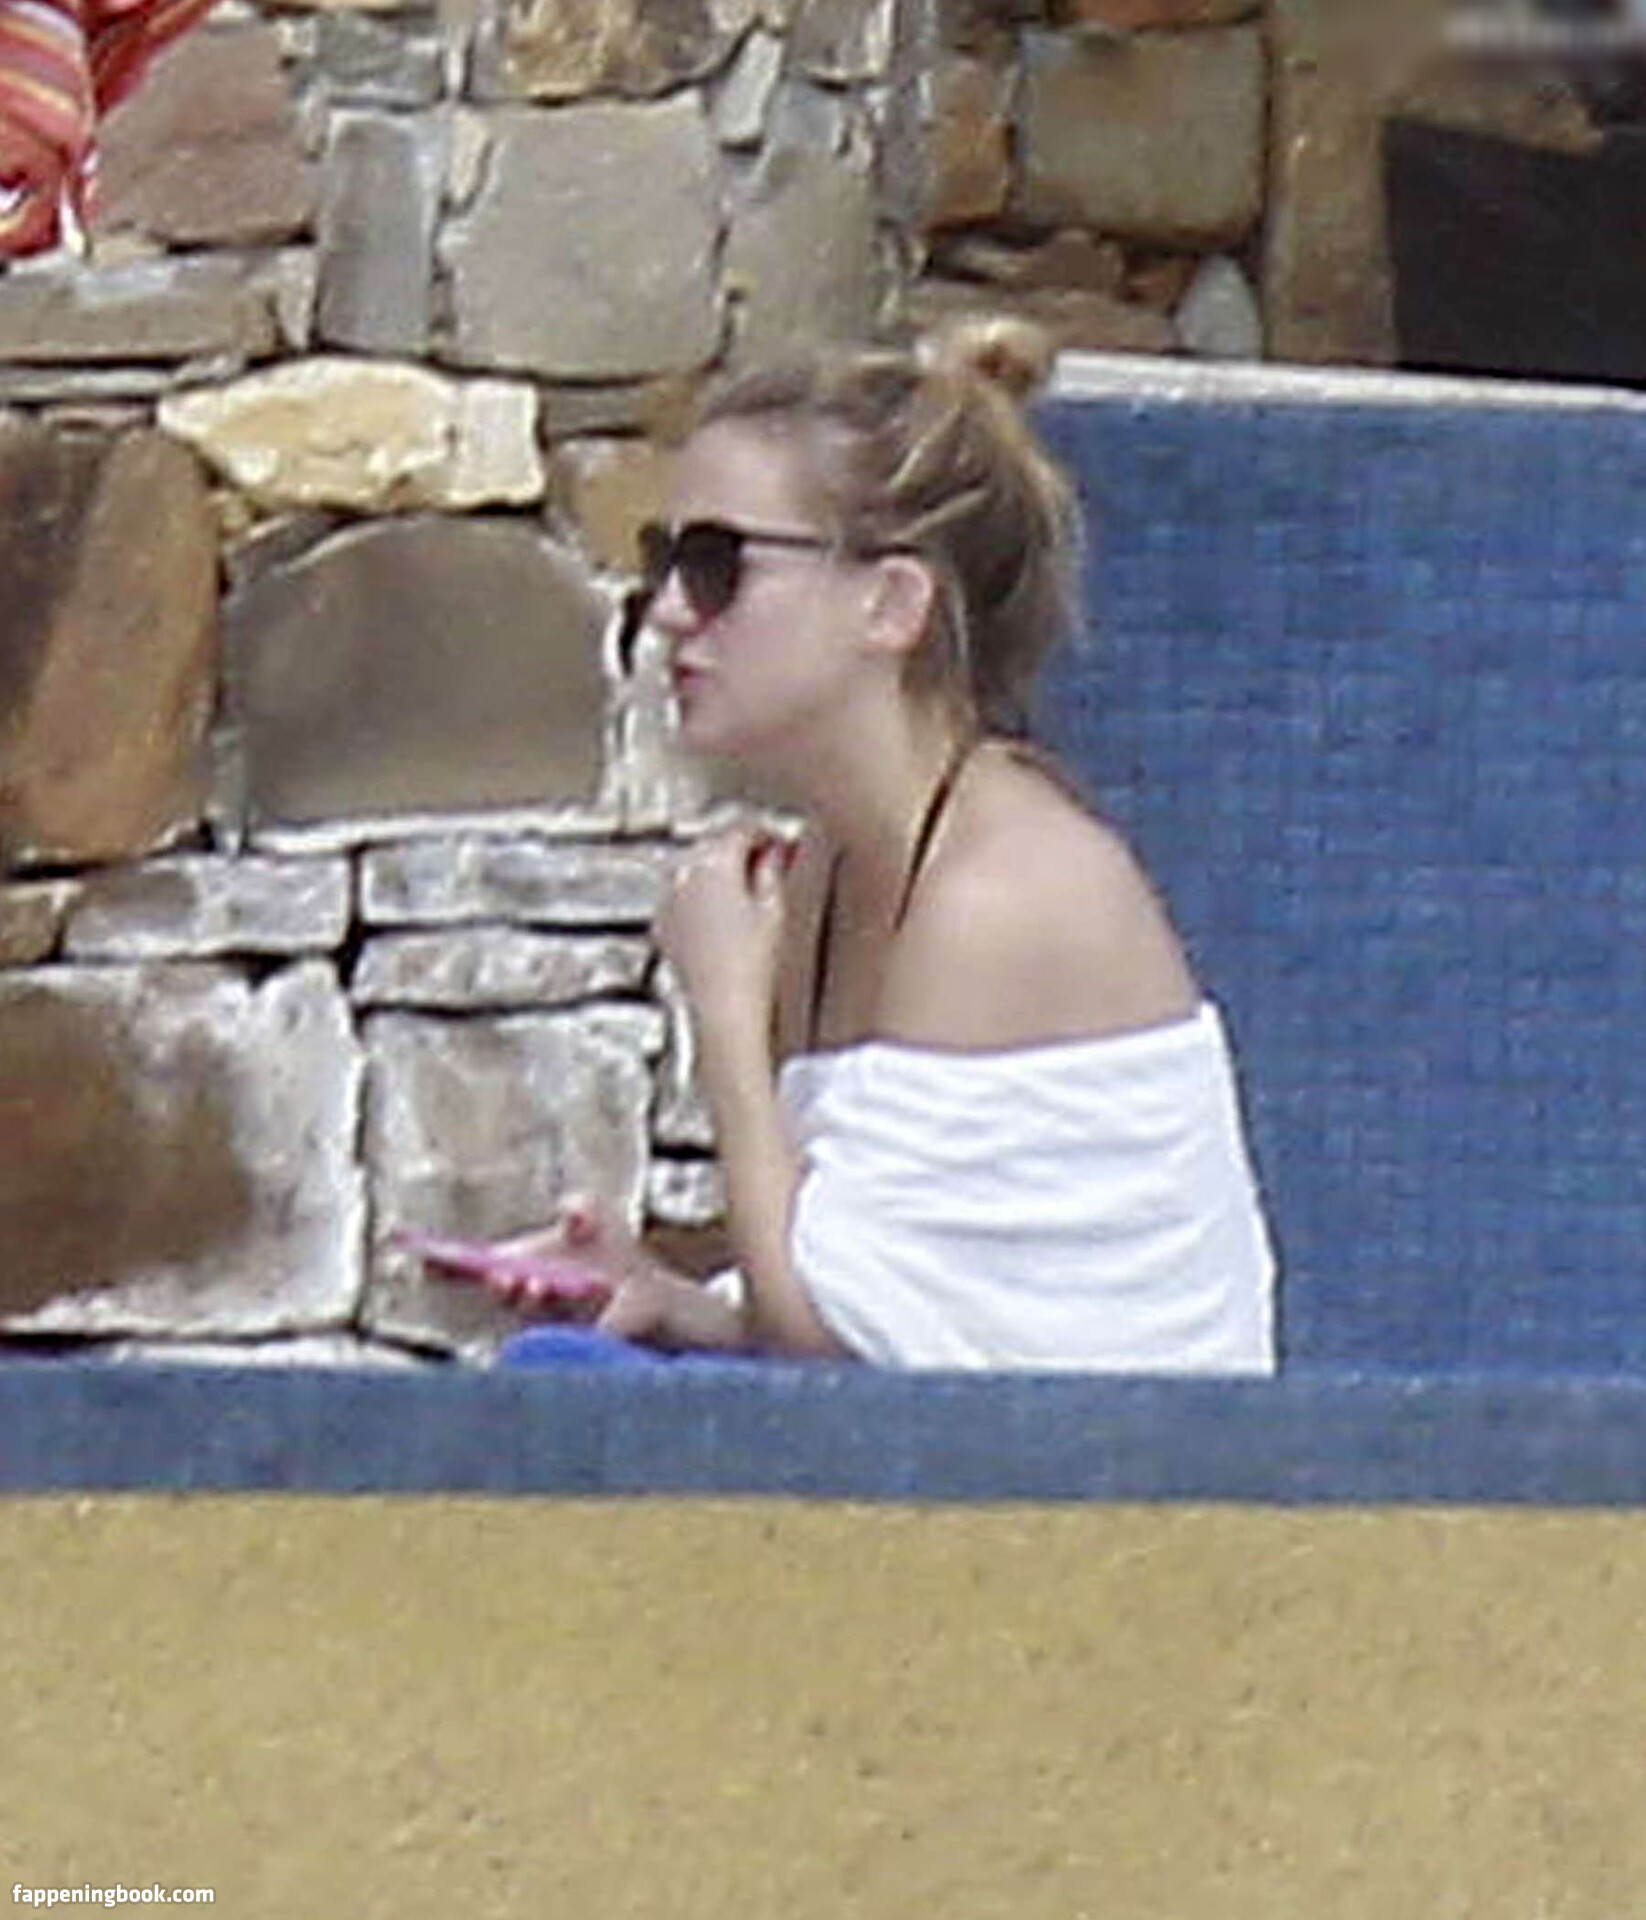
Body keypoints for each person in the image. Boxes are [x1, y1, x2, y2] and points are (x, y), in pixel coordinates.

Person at [439, 317, 1276, 1372]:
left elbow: (829, 1354)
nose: (669, 613)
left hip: (1127, 1470)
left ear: (890, 603)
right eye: (663, 561)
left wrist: (726, 1014)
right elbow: (888, 1319)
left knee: (566, 1392)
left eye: (717, 565)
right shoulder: (835, 871)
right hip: (966, 1440)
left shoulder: (996, 895)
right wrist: (661, 1295)